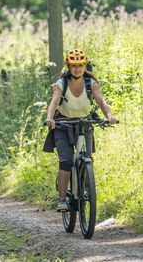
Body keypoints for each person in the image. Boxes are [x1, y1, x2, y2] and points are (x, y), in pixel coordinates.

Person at [44, 49, 118, 212]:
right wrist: (50, 118)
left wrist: (109, 115)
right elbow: (54, 103)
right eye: (73, 66)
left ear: (85, 66)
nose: (77, 69)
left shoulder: (90, 83)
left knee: (87, 158)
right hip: (62, 125)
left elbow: (101, 102)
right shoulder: (61, 84)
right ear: (68, 67)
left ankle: (85, 188)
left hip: (84, 124)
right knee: (66, 161)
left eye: (80, 65)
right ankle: (62, 200)